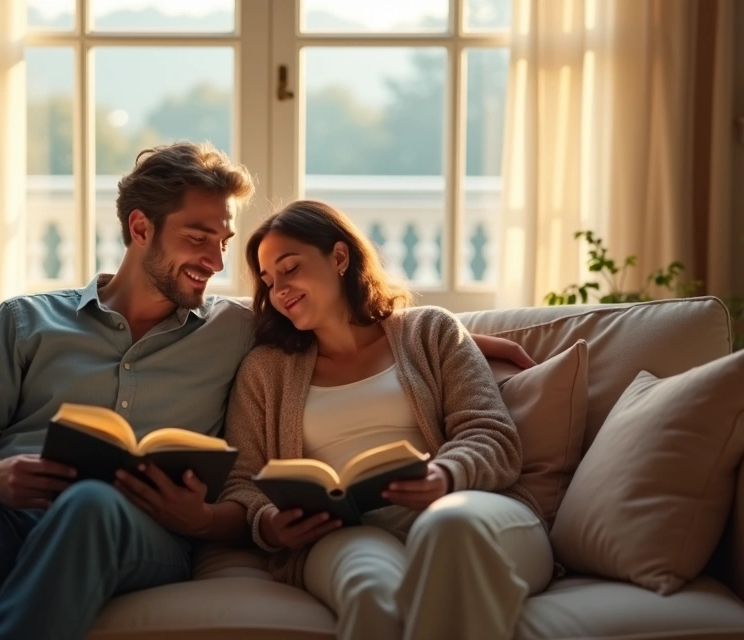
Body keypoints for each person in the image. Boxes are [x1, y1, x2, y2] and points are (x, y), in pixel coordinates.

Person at [0, 141, 534, 640]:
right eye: (199, 237)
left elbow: (348, 327)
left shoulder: (234, 329)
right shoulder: (26, 319)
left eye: (223, 241)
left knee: (91, 503)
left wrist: (465, 340)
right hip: (7, 513)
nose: (216, 261)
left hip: (131, 527)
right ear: (140, 229)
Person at [218, 200, 552, 640]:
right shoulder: (265, 370)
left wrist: (444, 475)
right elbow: (242, 481)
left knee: (448, 527)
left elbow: (492, 434)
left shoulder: (430, 331)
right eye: (268, 280)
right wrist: (270, 523)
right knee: (370, 590)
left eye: (291, 268)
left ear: (339, 258)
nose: (279, 289)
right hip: (350, 533)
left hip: (462, 508)